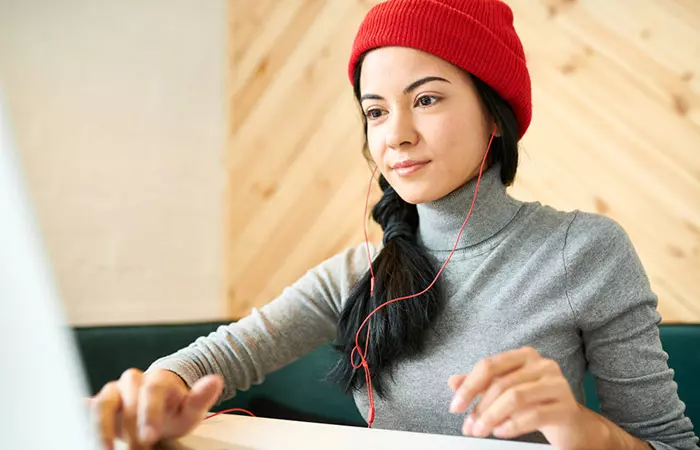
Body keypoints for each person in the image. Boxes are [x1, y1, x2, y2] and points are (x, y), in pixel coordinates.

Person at [88, 1, 699, 449]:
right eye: (375, 111)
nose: (396, 134)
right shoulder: (362, 272)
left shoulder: (582, 251)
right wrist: (158, 392)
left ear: (494, 115)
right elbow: (221, 356)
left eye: (427, 99)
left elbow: (672, 445)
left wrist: (581, 429)